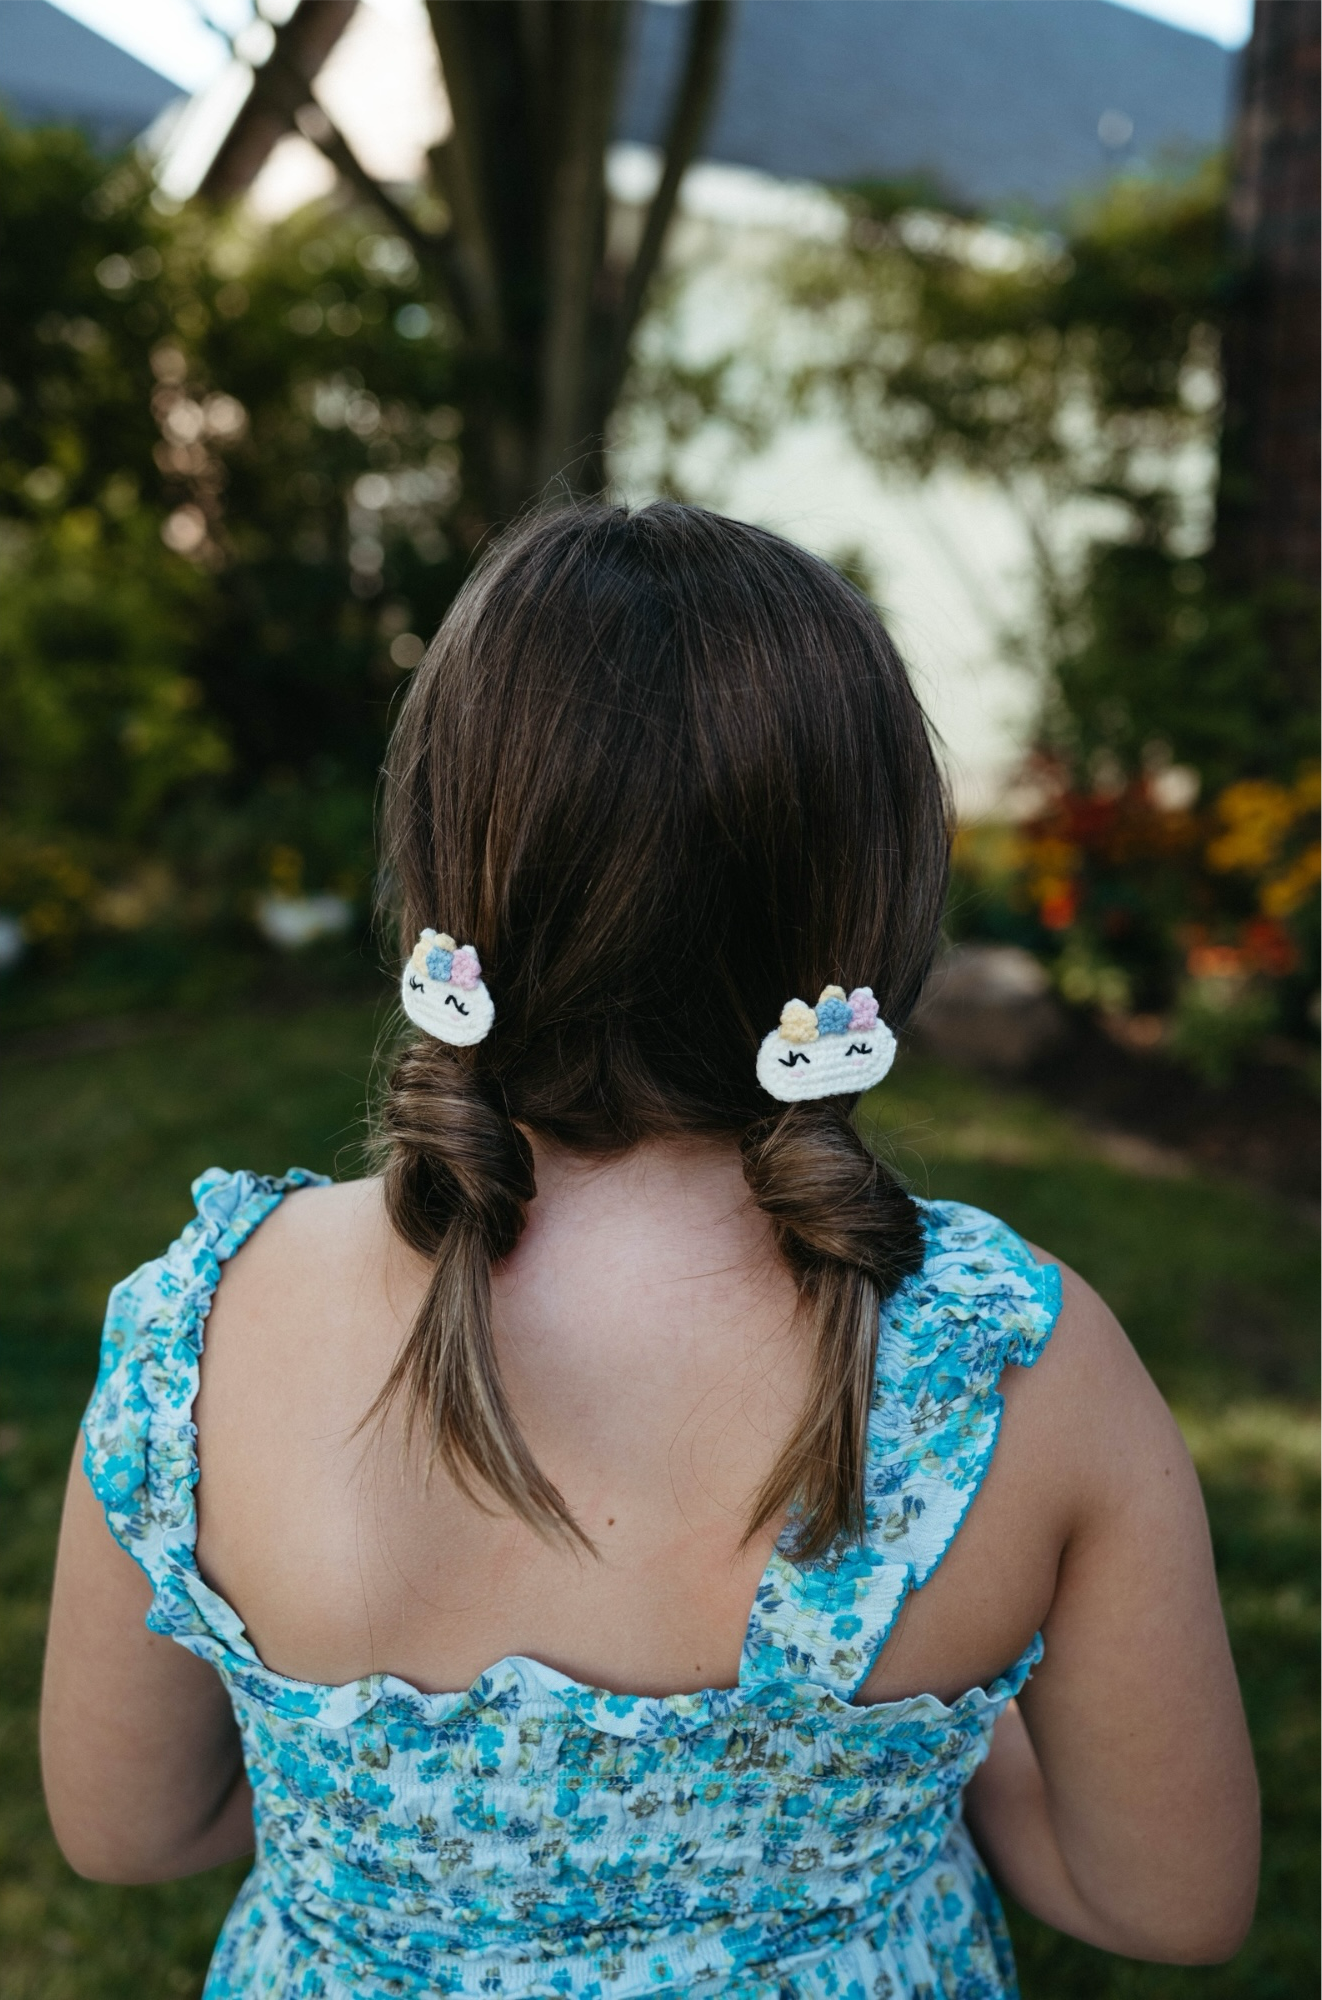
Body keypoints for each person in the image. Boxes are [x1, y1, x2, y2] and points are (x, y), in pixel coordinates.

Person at [41, 503, 1258, 1999]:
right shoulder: (1018, 1363)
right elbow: (1168, 1900)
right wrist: (952, 1727)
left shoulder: (204, 1333)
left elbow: (125, 1828)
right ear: (871, 898)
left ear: (436, 865)